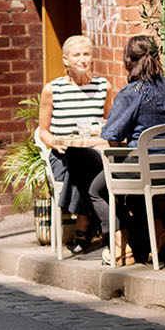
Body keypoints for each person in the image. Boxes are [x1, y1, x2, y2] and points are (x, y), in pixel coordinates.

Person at [89, 35, 165, 266]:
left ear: (128, 61)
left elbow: (112, 137)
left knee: (96, 190)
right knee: (134, 193)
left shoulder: (131, 92)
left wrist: (122, 147)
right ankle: (161, 238)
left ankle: (120, 248)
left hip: (144, 168)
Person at [37, 35, 114, 254]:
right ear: (65, 60)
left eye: (86, 54)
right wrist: (55, 142)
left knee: (85, 158)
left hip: (94, 153)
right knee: (76, 157)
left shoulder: (103, 87)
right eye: (77, 55)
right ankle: (94, 226)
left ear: (93, 58)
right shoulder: (52, 89)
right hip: (63, 155)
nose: (82, 59)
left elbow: (109, 125)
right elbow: (43, 131)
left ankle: (83, 225)